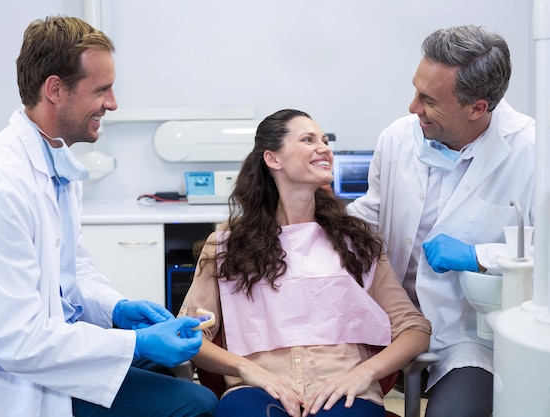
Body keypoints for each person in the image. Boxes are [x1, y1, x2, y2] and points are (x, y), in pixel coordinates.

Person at [0, 16, 217, 417]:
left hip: (53, 359)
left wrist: (116, 308)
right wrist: (137, 344)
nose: (113, 103)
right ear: (55, 90)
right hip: (16, 385)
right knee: (197, 404)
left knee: (174, 367)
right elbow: (17, 341)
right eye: (101, 89)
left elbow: (71, 274)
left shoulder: (58, 163)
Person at [179, 109, 432, 417]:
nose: (324, 148)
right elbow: (190, 335)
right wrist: (246, 369)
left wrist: (364, 374)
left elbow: (415, 330)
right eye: (308, 139)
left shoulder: (357, 243)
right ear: (274, 159)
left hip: (345, 394)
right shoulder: (225, 247)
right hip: (258, 394)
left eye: (325, 141)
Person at [346, 25, 535, 417]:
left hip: (469, 332)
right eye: (416, 90)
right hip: (390, 317)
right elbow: (371, 214)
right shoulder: (399, 137)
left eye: (428, 99)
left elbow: (545, 253)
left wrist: (481, 255)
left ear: (477, 107)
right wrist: (314, 223)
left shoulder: (534, 152)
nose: (413, 107)